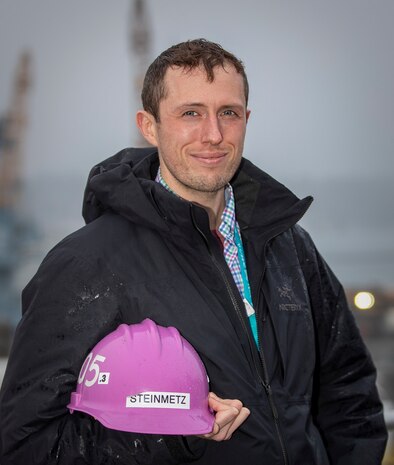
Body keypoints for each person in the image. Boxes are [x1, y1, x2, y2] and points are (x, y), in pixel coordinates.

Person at [0, 39, 387, 465]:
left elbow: (350, 391)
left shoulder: (289, 247)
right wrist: (176, 438)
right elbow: (26, 443)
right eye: (190, 114)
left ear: (246, 119)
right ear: (149, 126)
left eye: (228, 113)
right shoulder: (88, 263)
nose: (214, 135)